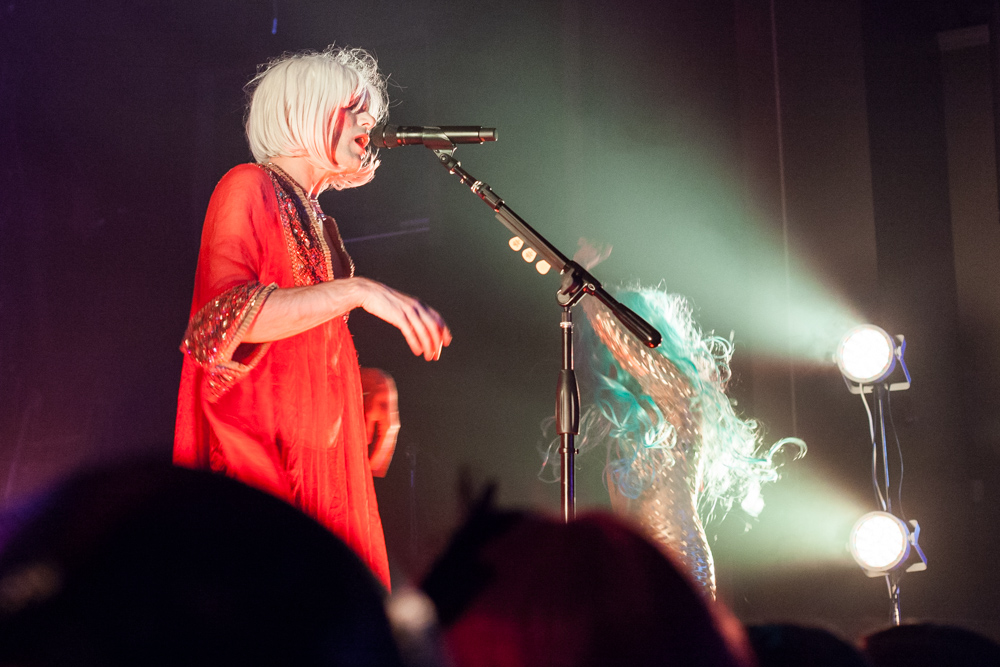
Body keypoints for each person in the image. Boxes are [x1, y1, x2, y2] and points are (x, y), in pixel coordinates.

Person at [174, 46, 451, 589]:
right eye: (354, 107)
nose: (370, 121)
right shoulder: (246, 185)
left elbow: (291, 346)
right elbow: (223, 322)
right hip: (261, 487)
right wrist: (359, 291)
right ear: (307, 109)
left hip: (313, 483)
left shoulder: (318, 219)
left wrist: (355, 385)